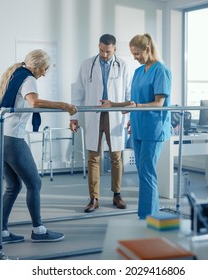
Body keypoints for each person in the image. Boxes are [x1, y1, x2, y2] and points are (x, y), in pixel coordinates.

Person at [0, 49, 77, 244]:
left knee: (13, 186)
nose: (45, 73)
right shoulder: (28, 78)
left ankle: (2, 232)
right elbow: (34, 102)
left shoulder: (16, 73)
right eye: (45, 69)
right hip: (12, 139)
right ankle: (39, 230)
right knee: (35, 183)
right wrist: (64, 105)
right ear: (37, 66)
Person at [70, 34, 132, 213]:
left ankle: (117, 194)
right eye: (102, 51)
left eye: (108, 51)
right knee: (93, 158)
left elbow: (128, 93)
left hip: (115, 116)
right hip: (94, 114)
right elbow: (78, 93)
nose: (104, 55)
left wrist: (130, 119)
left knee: (116, 157)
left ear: (115, 49)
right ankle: (94, 198)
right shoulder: (87, 64)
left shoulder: (123, 65)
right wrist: (73, 117)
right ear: (98, 46)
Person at [127, 33, 171, 219]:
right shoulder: (138, 72)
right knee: (142, 170)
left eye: (137, 54)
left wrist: (137, 107)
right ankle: (147, 214)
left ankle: (148, 216)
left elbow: (159, 102)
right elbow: (135, 101)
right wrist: (130, 115)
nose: (135, 58)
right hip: (138, 125)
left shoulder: (161, 70)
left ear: (147, 49)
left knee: (147, 172)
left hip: (153, 127)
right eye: (133, 54)